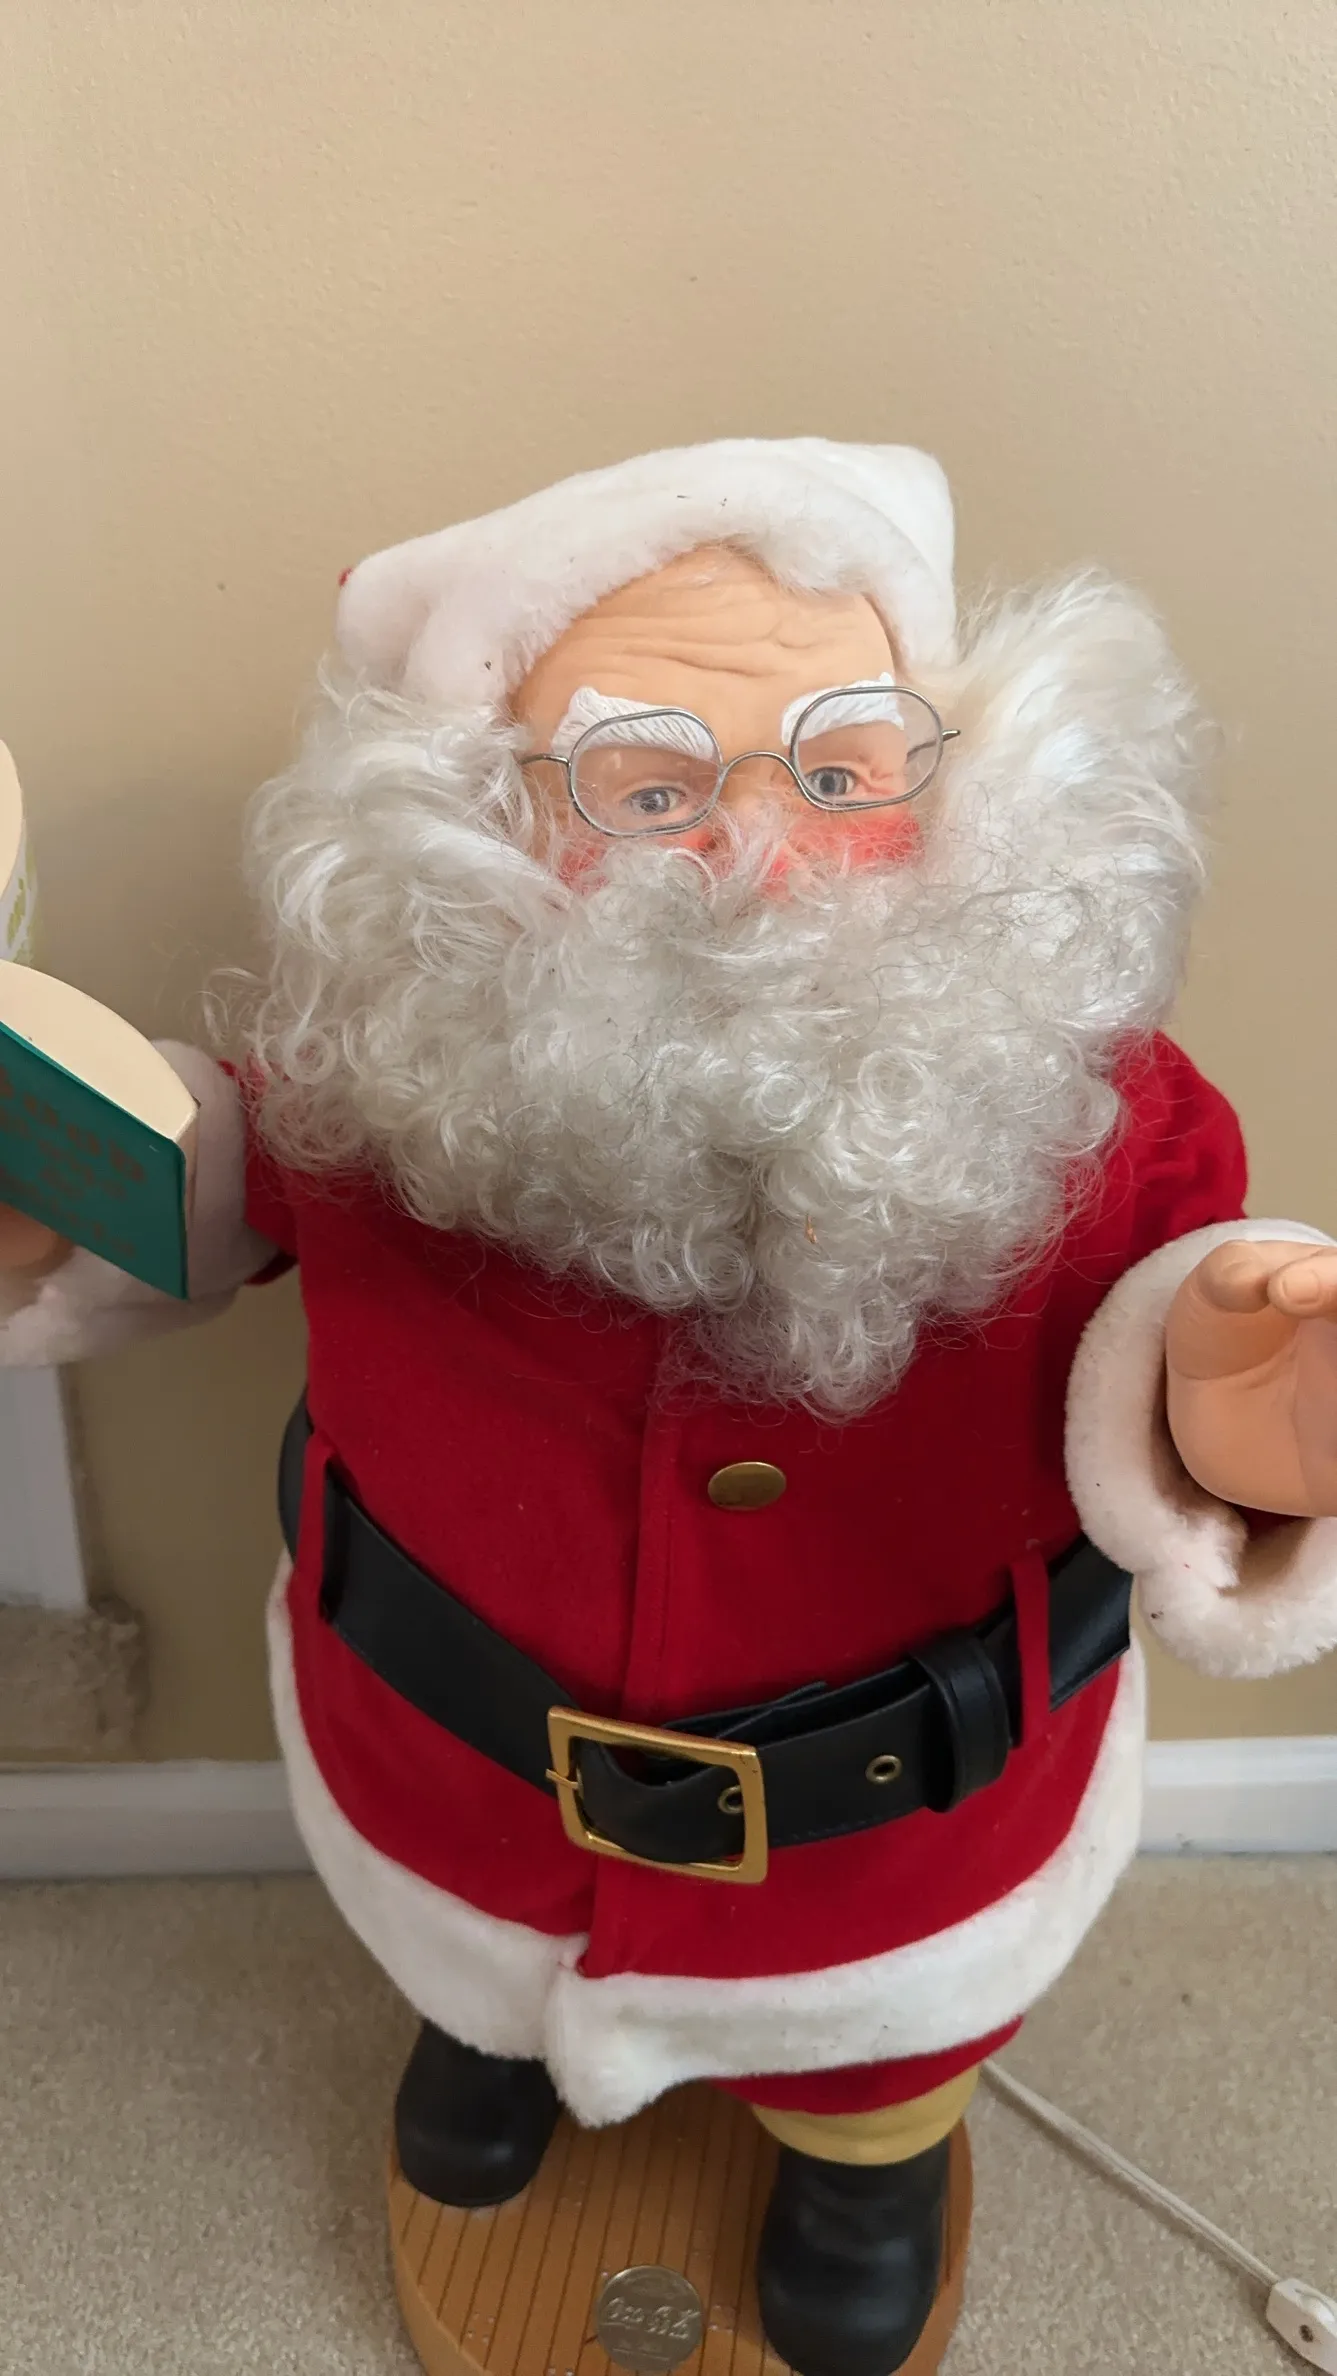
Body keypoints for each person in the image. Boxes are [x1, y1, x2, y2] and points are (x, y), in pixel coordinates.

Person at [4, 439, 1335, 2376]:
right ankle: (483, 2033)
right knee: (456, 1951)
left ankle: (863, 2159)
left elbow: (1172, 1327)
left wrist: (1251, 1398)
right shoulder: (391, 1069)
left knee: (877, 2051)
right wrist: (52, 1198)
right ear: (477, 824)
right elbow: (203, 1186)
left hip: (897, 1855)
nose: (758, 843)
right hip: (448, 1785)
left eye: (838, 766)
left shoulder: (1093, 1106)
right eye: (646, 785)